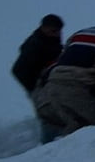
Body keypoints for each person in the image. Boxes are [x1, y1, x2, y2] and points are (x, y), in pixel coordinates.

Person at [33, 15, 95, 138]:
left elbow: (60, 59)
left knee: (69, 126)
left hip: (47, 95)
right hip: (75, 93)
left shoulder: (78, 35)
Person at [10, 14, 65, 143]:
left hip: (50, 86)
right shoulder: (35, 44)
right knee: (49, 117)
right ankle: (49, 147)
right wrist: (36, 86)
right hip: (40, 88)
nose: (57, 34)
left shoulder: (49, 41)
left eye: (58, 31)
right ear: (44, 28)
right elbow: (18, 70)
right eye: (54, 31)